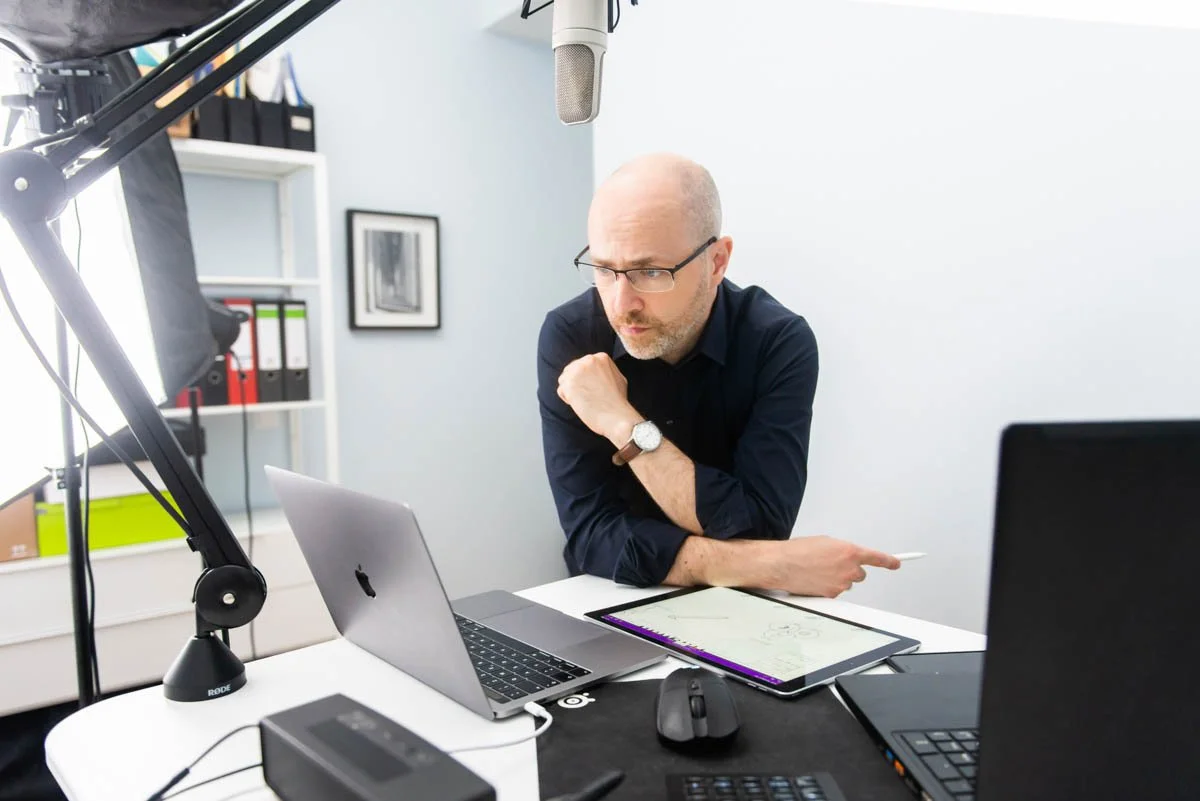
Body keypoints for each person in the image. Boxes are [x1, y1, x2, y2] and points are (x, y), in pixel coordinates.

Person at [537, 153, 900, 598]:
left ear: (716, 261)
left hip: (742, 607)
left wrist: (623, 424)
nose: (621, 304)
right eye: (605, 270)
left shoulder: (778, 342)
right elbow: (591, 535)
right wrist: (770, 566)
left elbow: (759, 526)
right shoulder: (572, 336)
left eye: (651, 272)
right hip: (605, 598)